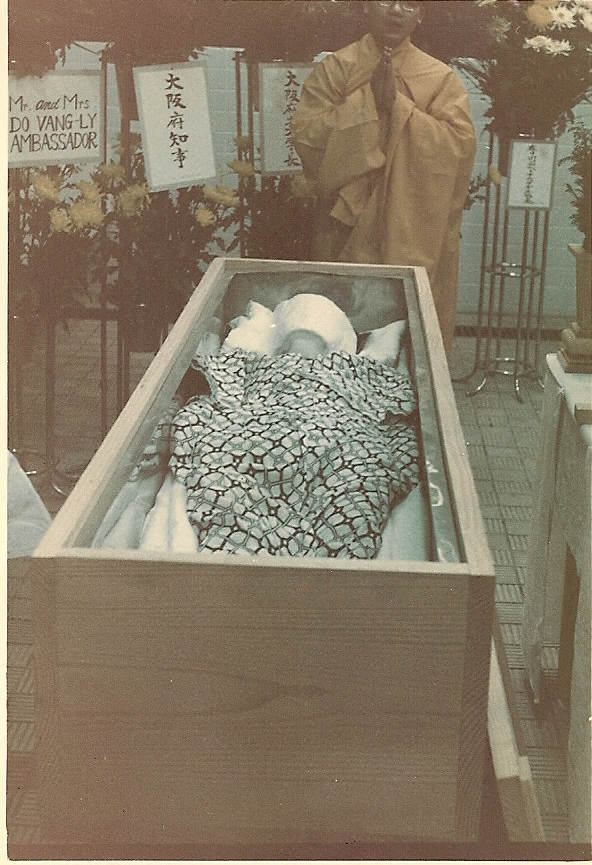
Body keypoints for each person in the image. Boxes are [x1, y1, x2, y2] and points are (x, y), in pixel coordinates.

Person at [290, 0, 477, 356]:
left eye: (409, 3)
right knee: (338, 334)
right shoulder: (336, 68)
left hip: (410, 227)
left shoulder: (439, 78)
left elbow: (459, 146)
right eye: (386, 1)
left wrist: (398, 107)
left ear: (420, 15)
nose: (396, 10)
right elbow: (307, 137)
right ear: (366, 7)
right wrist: (365, 105)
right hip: (343, 228)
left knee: (404, 338)